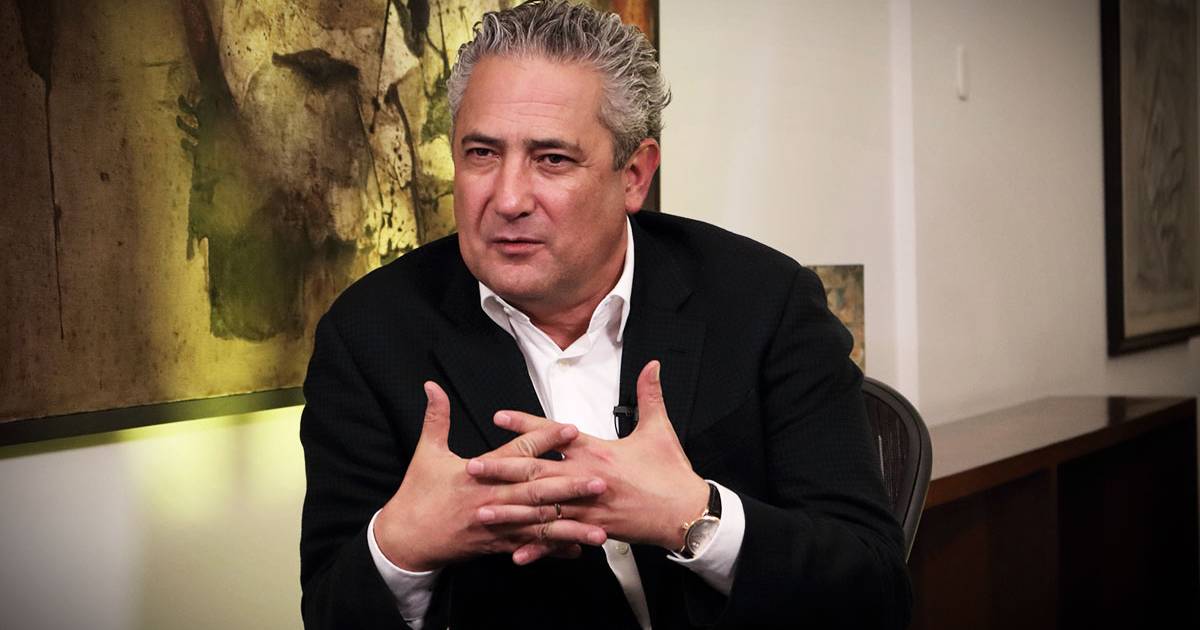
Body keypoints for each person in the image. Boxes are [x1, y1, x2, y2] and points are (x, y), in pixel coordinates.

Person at [299, 1, 912, 628]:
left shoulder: (763, 301)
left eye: (552, 159)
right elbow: (329, 610)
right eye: (481, 153)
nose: (508, 198)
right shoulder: (368, 334)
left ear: (635, 175)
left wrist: (694, 517)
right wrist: (404, 547)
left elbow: (873, 590)